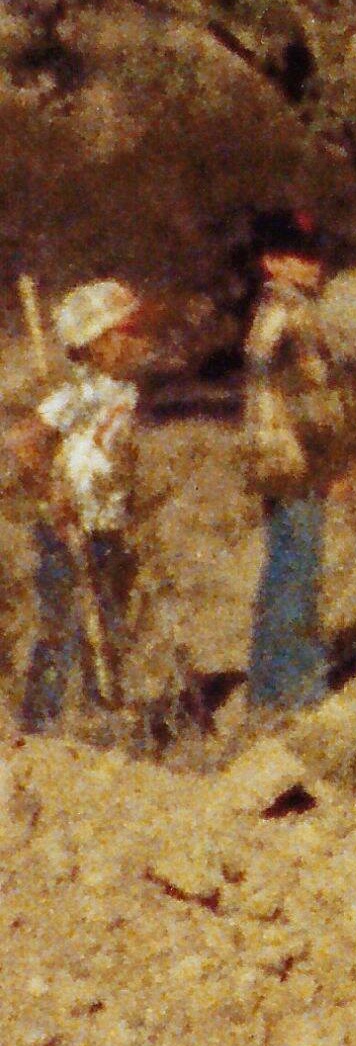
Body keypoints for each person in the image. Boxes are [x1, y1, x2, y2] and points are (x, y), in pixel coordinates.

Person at [11, 280, 149, 731]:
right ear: (97, 342)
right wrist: (54, 494)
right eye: (126, 331)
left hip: (106, 523)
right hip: (70, 526)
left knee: (106, 621)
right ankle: (38, 723)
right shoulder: (82, 393)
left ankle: (100, 709)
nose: (137, 341)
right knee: (65, 623)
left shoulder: (121, 391)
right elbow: (24, 441)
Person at [241, 210, 356, 716]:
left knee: (283, 567)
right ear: (272, 263)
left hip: (277, 462)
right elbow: (312, 401)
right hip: (299, 463)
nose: (314, 264)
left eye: (315, 253)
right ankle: (298, 688)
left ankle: (269, 687)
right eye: (300, 255)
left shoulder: (270, 315)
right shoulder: (292, 317)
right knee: (300, 569)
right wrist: (336, 463)